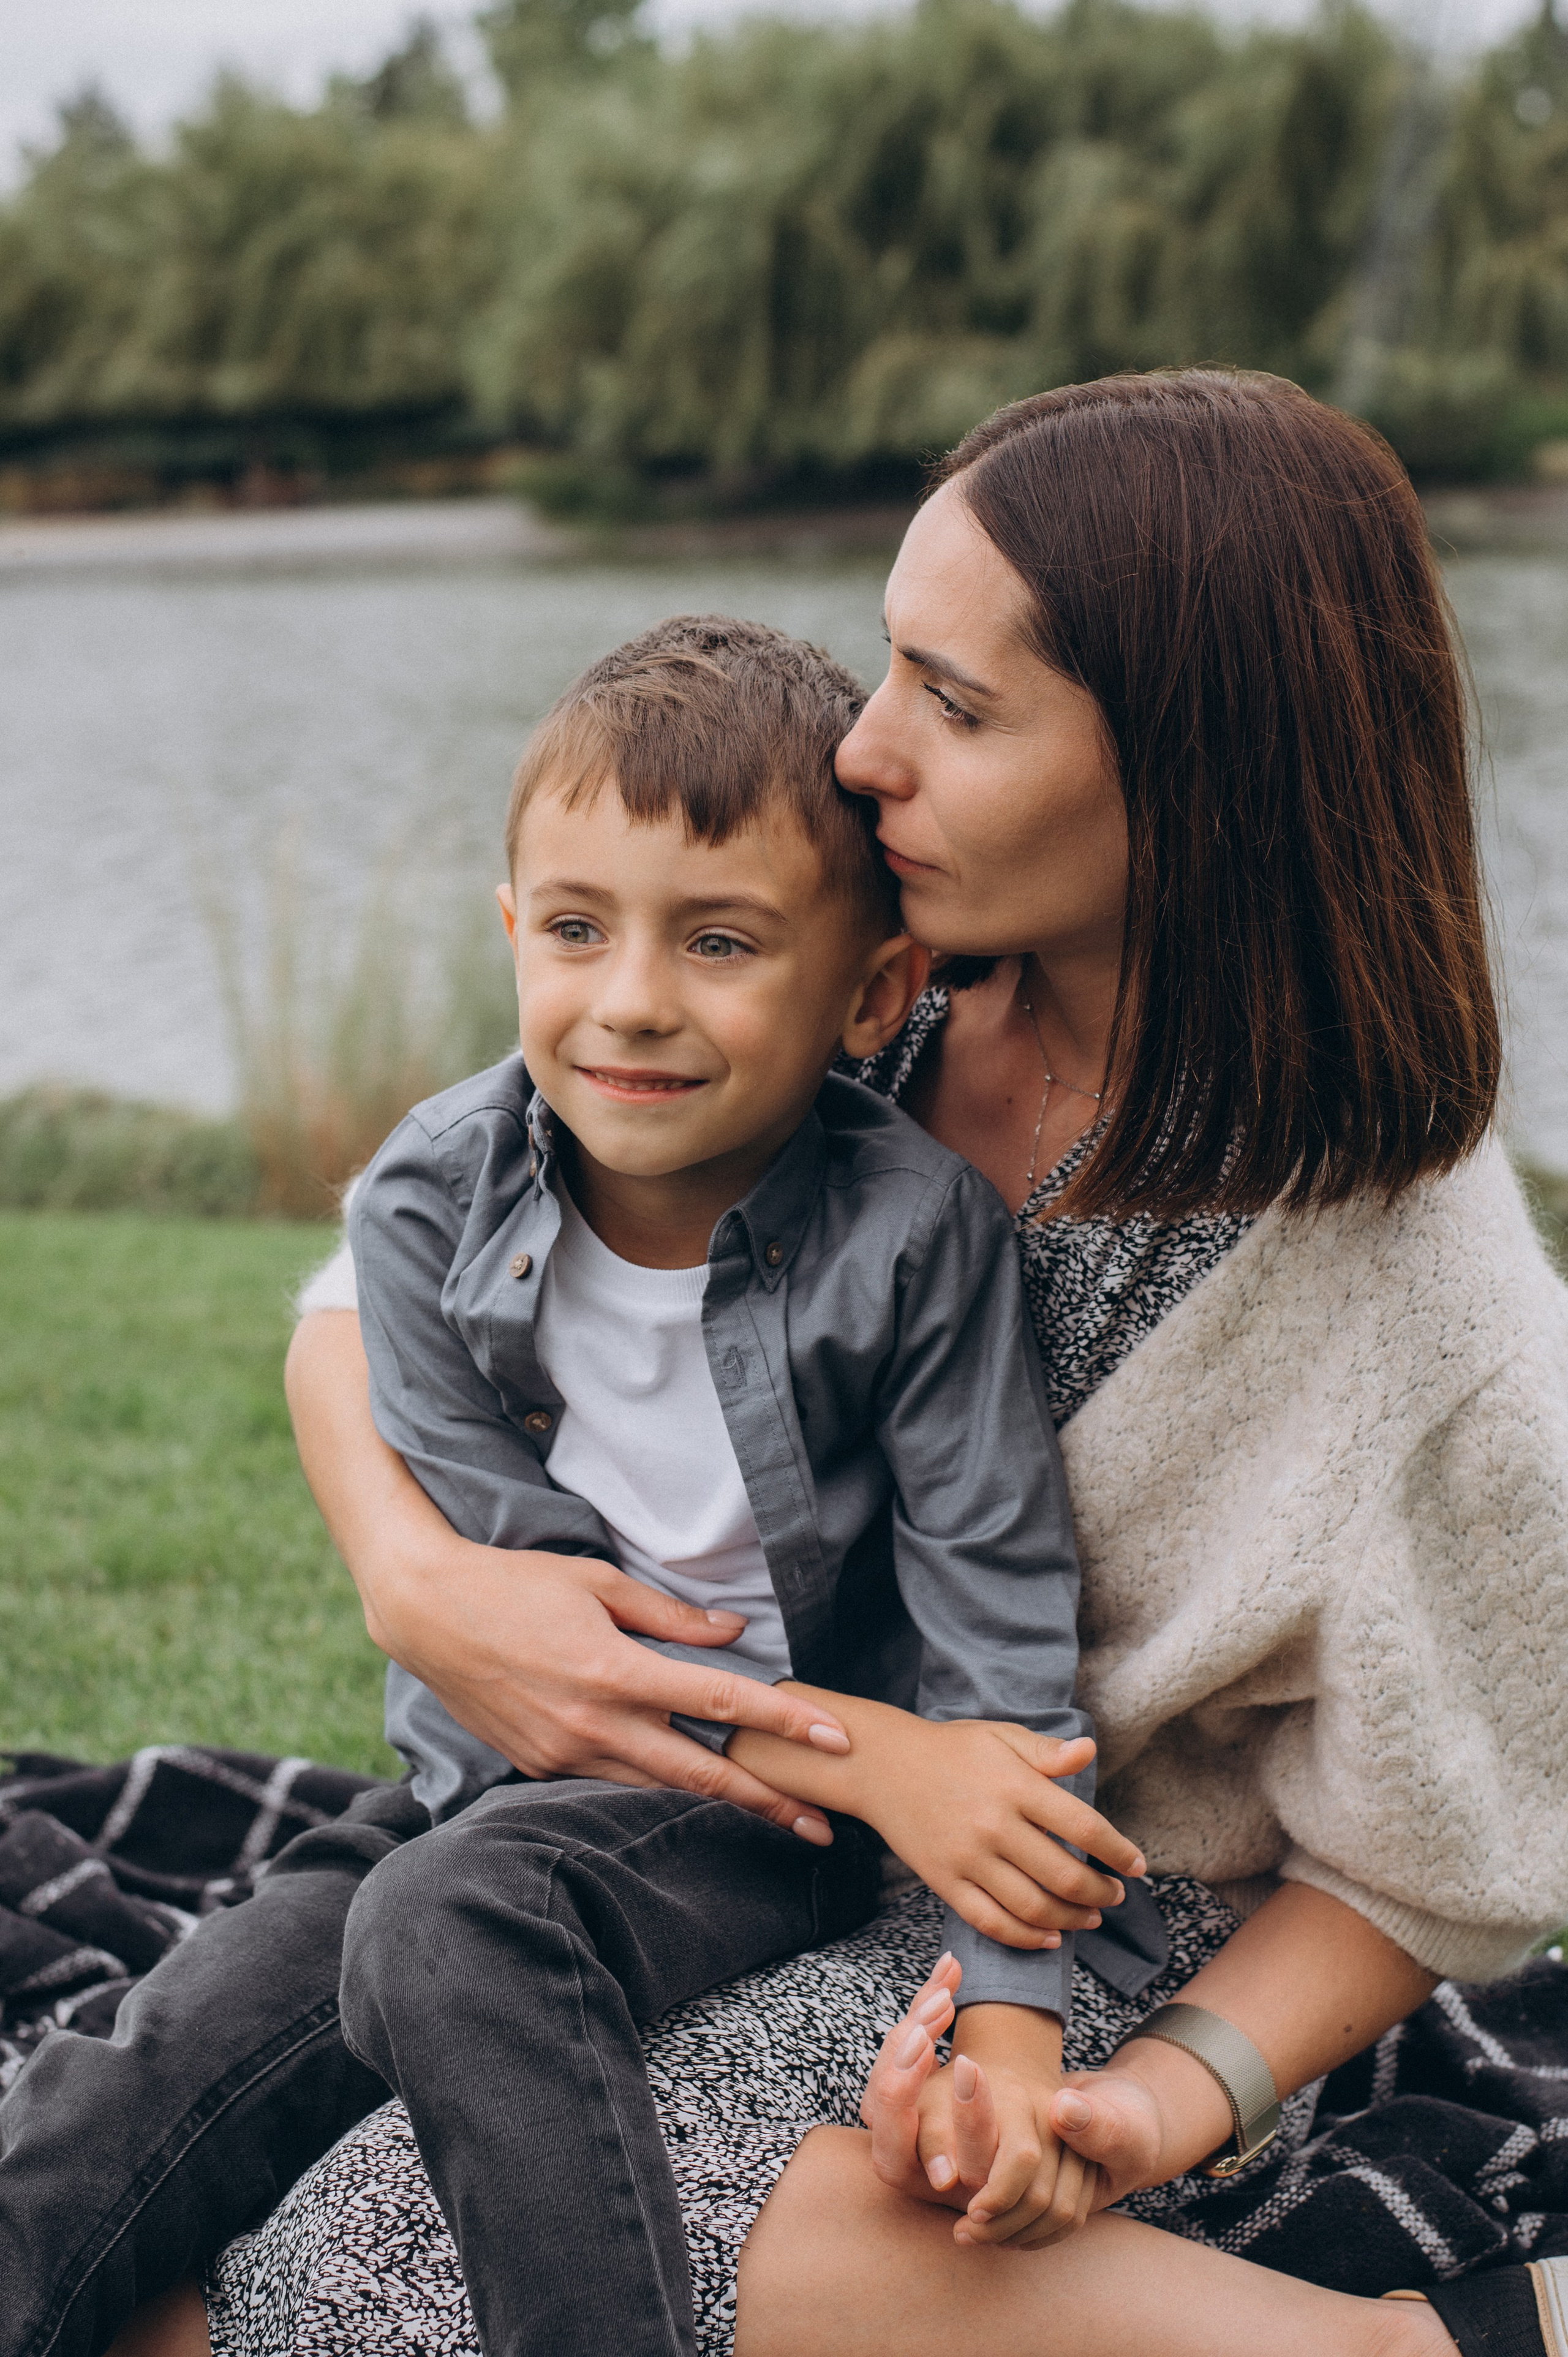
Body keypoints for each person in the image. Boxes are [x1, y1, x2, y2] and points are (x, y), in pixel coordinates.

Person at [96, 369, 1568, 2356]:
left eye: (953, 705)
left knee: (308, 2297)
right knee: (160, 2202)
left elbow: (1433, 1869)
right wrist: (415, 1577)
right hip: (685, 1825)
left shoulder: (1425, 1307)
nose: (863, 751)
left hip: (1063, 1930)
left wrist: (1141, 2108)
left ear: (1197, 770)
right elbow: (366, 1291)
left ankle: (1393, 2347)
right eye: (891, 663)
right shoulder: (860, 985)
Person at [0, 616, 1144, 2357]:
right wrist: (884, 1756)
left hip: (773, 1841)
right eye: (576, 928)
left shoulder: (916, 1237)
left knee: (453, 1923)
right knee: (116, 2100)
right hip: (487, 1785)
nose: (632, 1001)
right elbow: (545, 1655)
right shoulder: (424, 1204)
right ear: (511, 930)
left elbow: (1002, 1636)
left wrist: (1012, 2032)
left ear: (873, 995)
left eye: (719, 941)